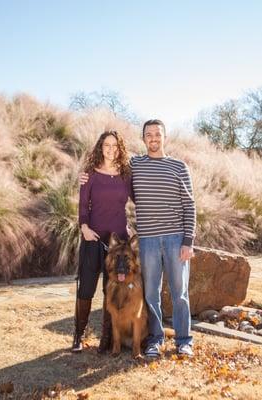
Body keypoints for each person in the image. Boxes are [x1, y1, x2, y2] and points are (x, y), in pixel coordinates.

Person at [80, 119, 196, 357]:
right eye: (149, 135)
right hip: (148, 240)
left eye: (157, 134)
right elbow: (108, 172)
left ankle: (184, 341)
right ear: (143, 139)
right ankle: (154, 340)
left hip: (175, 238)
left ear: (165, 137)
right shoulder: (134, 165)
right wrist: (84, 178)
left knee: (179, 292)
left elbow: (190, 205)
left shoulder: (179, 166)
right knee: (151, 293)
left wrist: (188, 241)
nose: (153, 138)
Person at [72, 130, 132, 352]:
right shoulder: (89, 174)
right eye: (107, 145)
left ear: (120, 149)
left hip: (118, 243)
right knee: (86, 289)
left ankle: (106, 339)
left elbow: (139, 199)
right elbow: (82, 207)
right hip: (93, 239)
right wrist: (84, 228)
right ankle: (78, 335)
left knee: (111, 290)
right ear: (100, 147)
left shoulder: (126, 175)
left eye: (115, 146)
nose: (111, 149)